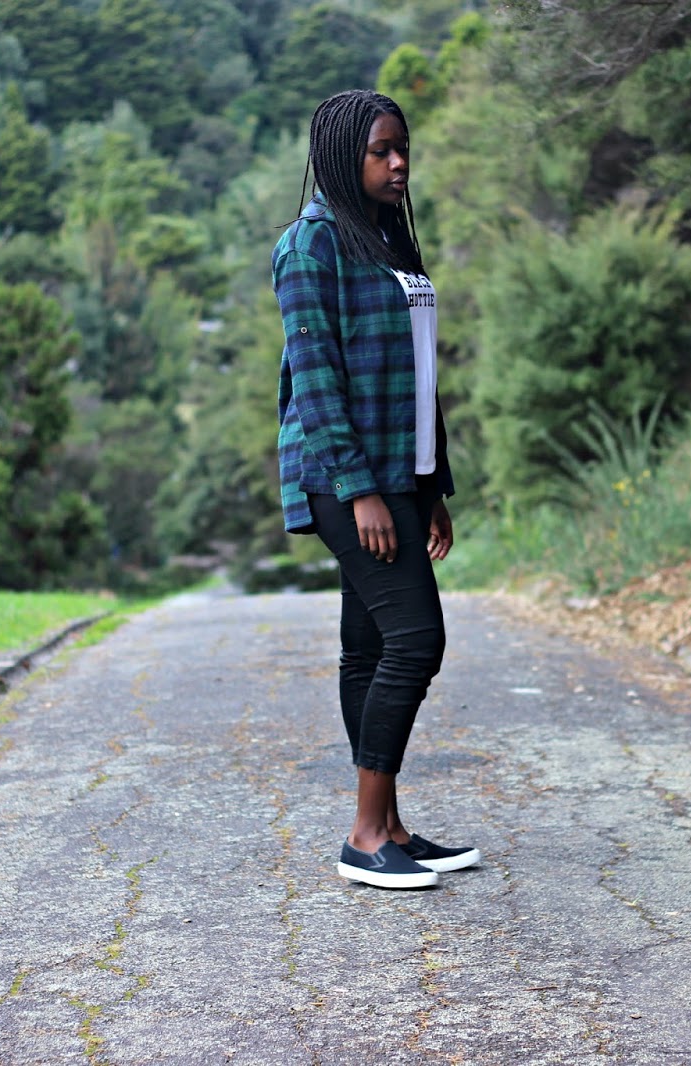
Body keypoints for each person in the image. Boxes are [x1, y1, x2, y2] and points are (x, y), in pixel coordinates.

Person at [273, 89, 480, 890]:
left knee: (368, 647)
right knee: (416, 641)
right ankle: (363, 836)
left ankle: (389, 826)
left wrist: (433, 486)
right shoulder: (310, 246)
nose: (399, 164)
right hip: (345, 476)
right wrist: (359, 490)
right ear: (341, 157)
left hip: (400, 472)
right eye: (380, 151)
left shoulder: (388, 237)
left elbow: (419, 376)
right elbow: (316, 379)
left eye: (403, 149)